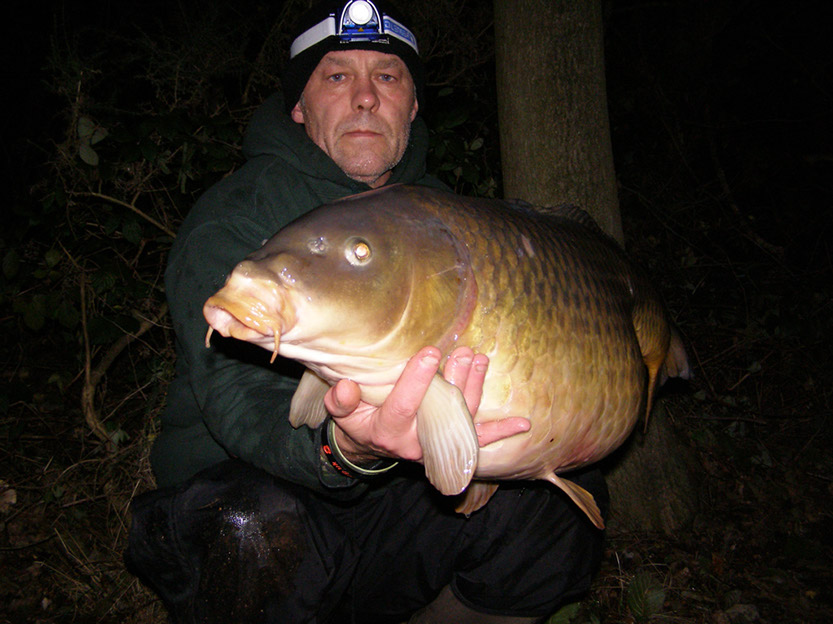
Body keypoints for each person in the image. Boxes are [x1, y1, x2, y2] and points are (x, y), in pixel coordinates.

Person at [125, 2, 608, 623]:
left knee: (553, 516)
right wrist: (345, 446)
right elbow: (240, 401)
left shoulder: (451, 218)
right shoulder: (235, 215)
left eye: (387, 77)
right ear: (299, 106)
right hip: (252, 494)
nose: (363, 98)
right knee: (246, 530)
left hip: (389, 511)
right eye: (336, 76)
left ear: (411, 106)